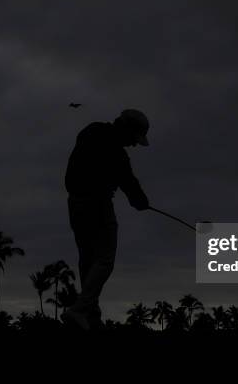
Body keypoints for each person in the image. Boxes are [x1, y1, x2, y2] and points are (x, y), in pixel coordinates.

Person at [61, 109, 150, 330]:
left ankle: (90, 314)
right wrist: (141, 201)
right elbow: (130, 186)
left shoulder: (91, 130)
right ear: (126, 129)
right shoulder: (117, 153)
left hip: (75, 203)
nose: (133, 144)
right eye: (133, 138)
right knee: (105, 259)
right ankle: (81, 309)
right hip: (97, 205)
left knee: (88, 260)